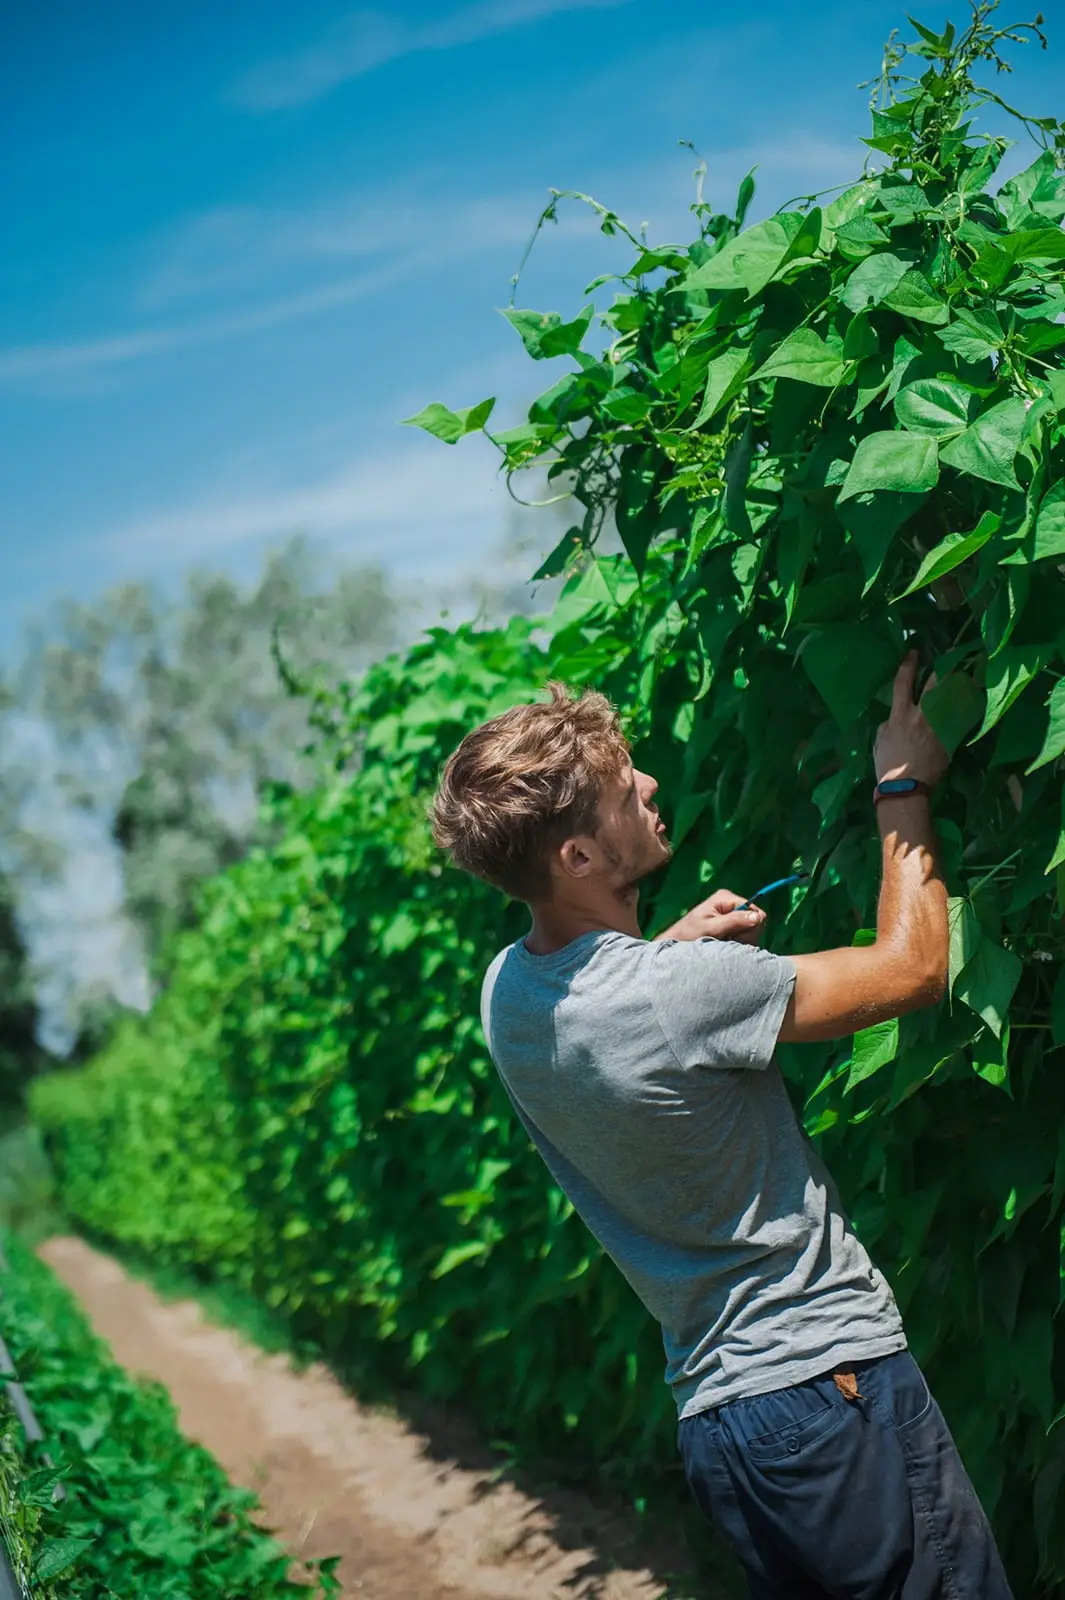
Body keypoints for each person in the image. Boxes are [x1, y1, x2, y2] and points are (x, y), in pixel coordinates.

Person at [429, 650, 1013, 1599]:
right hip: (830, 1388)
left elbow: (614, 1010)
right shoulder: (679, 993)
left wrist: (664, 949)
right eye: (624, 789)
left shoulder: (507, 995)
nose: (651, 785)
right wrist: (901, 784)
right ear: (577, 858)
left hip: (724, 1425)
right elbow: (911, 968)